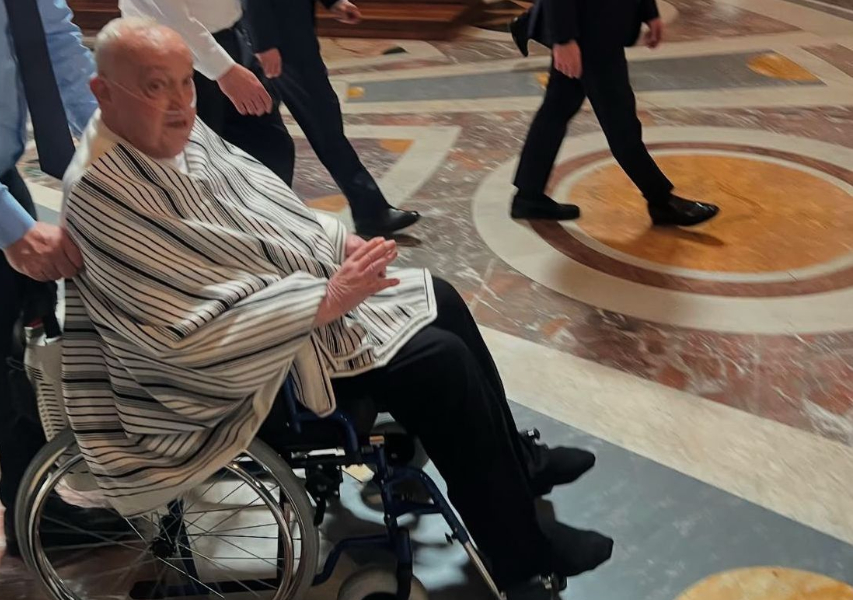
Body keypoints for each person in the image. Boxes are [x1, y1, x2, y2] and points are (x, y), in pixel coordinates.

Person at [62, 19, 611, 600]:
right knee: (439, 363)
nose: (180, 104)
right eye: (156, 86)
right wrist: (320, 301)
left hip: (291, 307)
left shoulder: (174, 133)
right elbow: (176, 332)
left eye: (186, 83)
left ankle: (518, 467)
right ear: (103, 92)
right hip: (242, 370)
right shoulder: (102, 191)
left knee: (442, 296)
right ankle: (521, 557)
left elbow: (262, 204)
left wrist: (334, 243)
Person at [0, 0, 122, 556]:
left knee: (30, 352)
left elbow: (53, 40)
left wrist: (117, 144)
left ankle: (34, 514)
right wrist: (4, 224)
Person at [510, 0, 720, 226]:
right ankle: (661, 201)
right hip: (589, 31)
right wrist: (563, 39)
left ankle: (529, 195)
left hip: (595, 26)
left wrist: (649, 11)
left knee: (557, 108)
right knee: (620, 120)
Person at [243, 0, 421, 237]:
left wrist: (334, 2)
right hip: (280, 44)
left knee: (277, 132)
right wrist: (264, 42)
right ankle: (371, 212)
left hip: (293, 37)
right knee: (320, 128)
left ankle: (271, 216)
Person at [119, 0, 296, 186]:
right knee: (190, 165)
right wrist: (224, 70)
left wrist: (261, 36)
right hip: (167, 50)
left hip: (229, 38)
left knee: (271, 150)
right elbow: (169, 16)